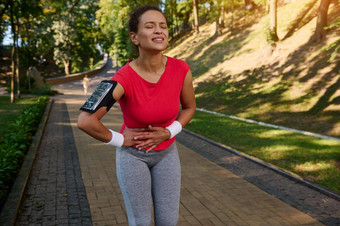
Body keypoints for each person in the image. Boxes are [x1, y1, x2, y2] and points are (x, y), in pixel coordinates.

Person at [77, 5, 196, 226]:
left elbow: (189, 108)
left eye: (163, 26)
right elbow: (85, 120)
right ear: (135, 37)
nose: (159, 31)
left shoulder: (181, 70)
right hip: (133, 157)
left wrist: (169, 132)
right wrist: (121, 140)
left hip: (167, 154)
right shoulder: (122, 78)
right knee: (140, 222)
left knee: (168, 221)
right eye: (150, 26)